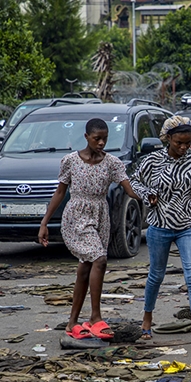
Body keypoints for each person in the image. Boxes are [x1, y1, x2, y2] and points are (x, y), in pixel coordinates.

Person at [38, 118, 141, 337]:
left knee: (86, 267)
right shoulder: (71, 161)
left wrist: (148, 196)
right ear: (86, 137)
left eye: (105, 138)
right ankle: (95, 316)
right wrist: (45, 222)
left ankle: (72, 323)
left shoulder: (113, 163)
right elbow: (60, 192)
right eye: (97, 138)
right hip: (76, 216)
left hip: (100, 216)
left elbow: (129, 189)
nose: (102, 143)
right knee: (100, 259)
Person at [130, 116, 191, 346]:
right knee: (156, 276)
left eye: (188, 142)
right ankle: (147, 319)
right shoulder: (152, 161)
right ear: (168, 138)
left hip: (186, 227)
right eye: (179, 143)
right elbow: (133, 183)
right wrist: (147, 194)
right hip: (159, 227)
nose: (183, 147)